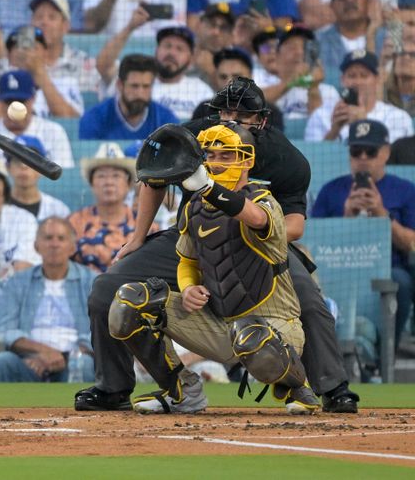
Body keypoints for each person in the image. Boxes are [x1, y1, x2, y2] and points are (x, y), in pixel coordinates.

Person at [75, 77, 361, 415]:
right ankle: (115, 387)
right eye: (226, 111)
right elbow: (152, 177)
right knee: (107, 288)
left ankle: (333, 388)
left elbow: (295, 225)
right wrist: (138, 237)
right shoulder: (194, 135)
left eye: (243, 114)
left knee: (309, 301)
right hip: (193, 236)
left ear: (262, 120)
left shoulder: (286, 159)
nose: (232, 119)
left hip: (258, 244)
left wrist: (253, 236)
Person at [111, 123, 319, 415]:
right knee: (129, 301)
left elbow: (256, 218)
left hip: (275, 324)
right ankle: (181, 391)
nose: (216, 162)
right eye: (210, 155)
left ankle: (299, 387)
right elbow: (188, 261)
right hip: (219, 322)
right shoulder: (196, 206)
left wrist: (209, 188)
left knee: (251, 335)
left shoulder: (262, 199)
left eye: (226, 155)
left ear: (246, 160)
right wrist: (188, 288)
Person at [312, 119, 415, 349]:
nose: (363, 158)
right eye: (356, 151)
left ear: (386, 153)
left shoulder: (405, 190)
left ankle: (385, 357)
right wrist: (347, 218)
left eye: (371, 151)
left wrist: (381, 213)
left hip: (387, 267)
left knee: (402, 282)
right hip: (337, 267)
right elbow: (315, 241)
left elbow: (412, 243)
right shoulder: (331, 190)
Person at [0, 216, 96, 382]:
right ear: (36, 246)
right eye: (48, 238)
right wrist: (42, 352)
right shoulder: (16, 282)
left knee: (86, 364)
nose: (54, 244)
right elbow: (3, 330)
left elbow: (100, 332)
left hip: (75, 359)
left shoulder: (91, 281)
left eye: (61, 238)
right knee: (3, 361)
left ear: (72, 247)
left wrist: (65, 357)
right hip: (30, 359)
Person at [0, 70, 74, 169]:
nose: (15, 107)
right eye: (9, 101)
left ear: (33, 99)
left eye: (21, 101)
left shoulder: (54, 132)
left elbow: (62, 177)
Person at [305, 50, 413, 143]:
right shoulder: (321, 115)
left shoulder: (398, 117)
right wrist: (334, 131)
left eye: (364, 75)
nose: (357, 82)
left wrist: (364, 123)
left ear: (377, 79)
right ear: (342, 80)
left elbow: (397, 159)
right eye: (352, 76)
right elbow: (312, 160)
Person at [69, 143, 137, 274]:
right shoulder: (74, 223)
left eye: (116, 176)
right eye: (101, 176)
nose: (108, 182)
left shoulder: (145, 225)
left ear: (128, 184)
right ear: (91, 183)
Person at [80, 54, 177, 140]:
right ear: (119, 85)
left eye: (146, 86)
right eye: (134, 86)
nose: (140, 93)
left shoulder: (166, 121)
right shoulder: (94, 119)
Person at [190, 47, 285, 132]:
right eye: (223, 77)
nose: (229, 82)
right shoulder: (204, 109)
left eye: (237, 77)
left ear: (251, 76)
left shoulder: (269, 111)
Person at [316, 0, 385, 89]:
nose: (349, 0)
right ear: (331, 5)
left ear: (368, 1)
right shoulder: (316, 41)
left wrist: (371, 33)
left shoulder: (388, 38)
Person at [264, 25, 338, 121]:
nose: (299, 52)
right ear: (277, 57)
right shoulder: (263, 82)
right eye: (291, 48)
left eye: (305, 47)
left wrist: (313, 87)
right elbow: (250, 106)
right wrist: (290, 81)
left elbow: (321, 130)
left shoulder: (329, 92)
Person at [6, 136, 69, 221]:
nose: (23, 166)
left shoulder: (58, 210)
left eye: (30, 161)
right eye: (17, 160)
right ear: (8, 167)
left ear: (43, 169)